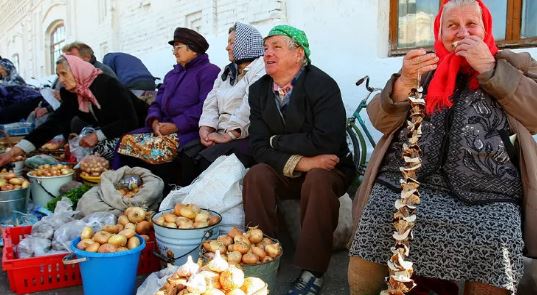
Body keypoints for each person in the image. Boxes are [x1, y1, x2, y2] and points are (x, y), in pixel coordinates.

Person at [348, 1, 537, 294]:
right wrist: (403, 83)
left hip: (489, 190)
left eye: (471, 24)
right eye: (452, 25)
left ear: (486, 28)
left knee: (498, 234)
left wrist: (490, 69)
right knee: (378, 215)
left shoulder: (516, 65)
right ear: (440, 30)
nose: (462, 32)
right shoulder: (424, 66)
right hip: (407, 181)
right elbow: (380, 119)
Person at [242, 25, 355, 295]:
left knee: (317, 179)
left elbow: (326, 141)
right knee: (256, 174)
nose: (267, 53)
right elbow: (257, 145)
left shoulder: (321, 84)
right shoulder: (259, 90)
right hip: (295, 168)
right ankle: (262, 253)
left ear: (298, 53)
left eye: (276, 47)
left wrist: (276, 142)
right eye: (266, 48)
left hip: (330, 167)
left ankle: (312, 270)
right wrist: (301, 163)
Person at [112, 27, 219, 186]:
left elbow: (205, 107)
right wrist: (154, 121)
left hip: (188, 130)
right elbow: (157, 102)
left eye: (178, 47)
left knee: (158, 150)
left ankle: (161, 191)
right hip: (161, 128)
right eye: (174, 48)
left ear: (193, 49)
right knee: (126, 141)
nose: (174, 52)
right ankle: (130, 187)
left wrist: (175, 126)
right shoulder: (171, 75)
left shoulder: (209, 72)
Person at [0, 54, 145, 166]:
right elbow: (55, 123)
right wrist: (16, 150)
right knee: (91, 154)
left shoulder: (107, 84)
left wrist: (97, 136)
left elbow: (129, 120)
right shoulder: (74, 93)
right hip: (117, 132)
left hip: (142, 129)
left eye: (64, 73)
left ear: (77, 71)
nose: (61, 80)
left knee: (100, 151)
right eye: (58, 75)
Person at [179, 22, 265, 181]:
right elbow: (211, 101)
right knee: (187, 153)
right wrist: (206, 127)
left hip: (245, 135)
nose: (227, 47)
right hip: (221, 132)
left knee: (207, 160)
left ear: (245, 45)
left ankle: (205, 205)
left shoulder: (260, 69)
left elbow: (249, 106)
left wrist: (230, 135)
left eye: (232, 43)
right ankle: (183, 204)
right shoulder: (228, 71)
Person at [0, 58, 42, 123]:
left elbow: (21, 94)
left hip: (27, 103)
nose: (1, 71)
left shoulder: (15, 80)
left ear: (7, 69)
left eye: (2, 69)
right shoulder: (5, 81)